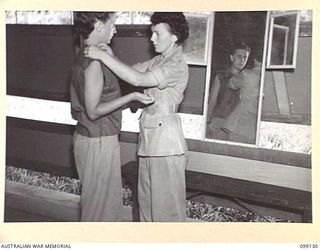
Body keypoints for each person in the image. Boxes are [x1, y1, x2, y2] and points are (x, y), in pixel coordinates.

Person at [84, 12, 189, 222]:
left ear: (174, 36)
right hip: (149, 143)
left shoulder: (176, 65)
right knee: (146, 210)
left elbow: (138, 80)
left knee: (166, 214)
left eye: (158, 34)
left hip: (166, 147)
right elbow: (131, 72)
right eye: (152, 33)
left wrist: (103, 56)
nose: (152, 39)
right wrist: (111, 56)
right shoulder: (160, 59)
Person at [70, 11, 154, 222]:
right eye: (112, 24)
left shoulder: (86, 55)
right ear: (98, 25)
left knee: (98, 207)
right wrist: (131, 96)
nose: (114, 29)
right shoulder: (95, 63)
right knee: (100, 213)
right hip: (98, 141)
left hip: (90, 138)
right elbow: (94, 110)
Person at [222, 42, 260, 144]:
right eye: (239, 56)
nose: (242, 60)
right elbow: (213, 99)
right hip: (221, 119)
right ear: (231, 57)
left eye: (245, 57)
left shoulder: (247, 75)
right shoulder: (222, 76)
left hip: (239, 124)